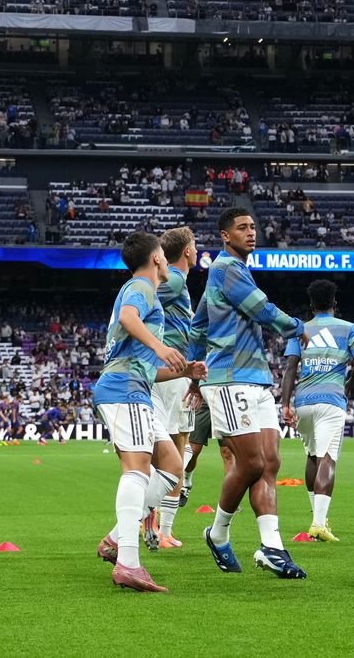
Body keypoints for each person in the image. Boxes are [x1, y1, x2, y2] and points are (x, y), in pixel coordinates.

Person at [191, 207, 306, 579]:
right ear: (226, 235)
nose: (251, 232)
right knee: (253, 463)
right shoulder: (226, 269)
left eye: (253, 226)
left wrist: (193, 369)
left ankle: (271, 546)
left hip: (255, 378)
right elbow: (261, 309)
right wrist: (296, 327)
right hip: (230, 378)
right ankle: (218, 532)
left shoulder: (231, 272)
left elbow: (199, 325)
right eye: (242, 228)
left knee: (270, 463)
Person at [92, 231, 205, 593]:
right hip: (124, 390)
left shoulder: (145, 290)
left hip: (133, 385)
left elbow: (140, 364)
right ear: (157, 258)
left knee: (172, 465)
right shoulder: (140, 287)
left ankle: (115, 538)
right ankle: (128, 561)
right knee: (137, 469)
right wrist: (161, 346)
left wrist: (184, 370)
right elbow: (127, 317)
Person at [277, 278, 354, 542]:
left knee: (312, 456)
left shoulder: (301, 329)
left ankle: (318, 516)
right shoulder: (349, 328)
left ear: (311, 304)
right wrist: (349, 383)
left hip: (303, 402)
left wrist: (285, 403)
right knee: (328, 458)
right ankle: (318, 523)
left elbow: (290, 367)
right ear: (334, 303)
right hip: (331, 401)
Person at [147, 225, 199, 548]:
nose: (197, 250)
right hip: (171, 373)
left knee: (180, 449)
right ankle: (160, 528)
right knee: (174, 451)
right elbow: (146, 292)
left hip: (173, 373)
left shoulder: (180, 285)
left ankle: (158, 527)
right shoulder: (176, 279)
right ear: (186, 251)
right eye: (194, 245)